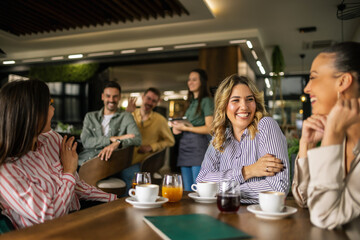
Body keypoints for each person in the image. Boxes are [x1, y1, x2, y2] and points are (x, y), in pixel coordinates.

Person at [0, 80, 117, 229]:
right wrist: (68, 171)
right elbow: (50, 216)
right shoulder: (6, 171)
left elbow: (77, 186)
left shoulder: (53, 139)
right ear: (32, 114)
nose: (53, 110)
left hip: (75, 219)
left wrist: (114, 199)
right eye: (49, 105)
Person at [292, 42, 360, 233]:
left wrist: (332, 134)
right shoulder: (341, 140)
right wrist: (308, 145)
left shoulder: (336, 137)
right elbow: (304, 199)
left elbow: (324, 216)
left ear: (343, 82)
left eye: (313, 78)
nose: (307, 88)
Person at [196, 75, 289, 204]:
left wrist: (223, 190)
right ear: (223, 106)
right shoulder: (219, 137)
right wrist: (247, 171)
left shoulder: (266, 126)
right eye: (235, 100)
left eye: (249, 99)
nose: (244, 107)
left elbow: (277, 187)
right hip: (224, 213)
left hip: (259, 216)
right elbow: (202, 181)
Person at [171, 69, 214, 191]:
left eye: (194, 79)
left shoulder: (206, 101)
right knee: (187, 189)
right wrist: (177, 128)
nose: (190, 82)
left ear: (202, 82)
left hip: (198, 146)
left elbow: (209, 128)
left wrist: (184, 127)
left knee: (199, 188)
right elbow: (188, 125)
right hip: (185, 146)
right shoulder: (190, 103)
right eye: (189, 79)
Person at [78, 81, 141, 165]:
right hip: (89, 160)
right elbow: (86, 141)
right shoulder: (90, 117)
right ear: (102, 97)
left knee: (136, 174)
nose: (111, 100)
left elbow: (137, 139)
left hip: (114, 162)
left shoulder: (126, 116)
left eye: (115, 96)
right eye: (108, 96)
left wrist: (118, 142)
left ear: (119, 97)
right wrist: (111, 139)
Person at [126, 87, 175, 166]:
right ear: (142, 97)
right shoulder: (131, 114)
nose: (150, 103)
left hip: (145, 163)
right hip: (125, 160)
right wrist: (127, 115)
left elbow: (170, 141)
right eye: (148, 98)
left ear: (157, 103)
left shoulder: (160, 120)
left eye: (154, 101)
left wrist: (151, 147)